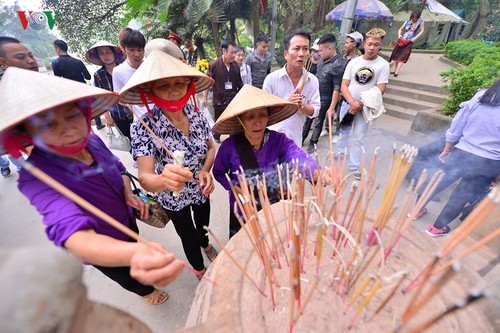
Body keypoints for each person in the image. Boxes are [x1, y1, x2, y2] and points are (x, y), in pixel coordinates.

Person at [0, 67, 184, 304]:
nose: (69, 129)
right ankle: (146, 292)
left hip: (126, 219)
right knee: (124, 273)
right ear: (26, 134)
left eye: (72, 115)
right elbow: (71, 233)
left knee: (133, 244)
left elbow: (119, 168)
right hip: (100, 240)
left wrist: (127, 192)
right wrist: (132, 253)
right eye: (47, 125)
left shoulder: (93, 140)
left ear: (84, 112)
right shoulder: (36, 177)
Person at [120, 50, 218, 277]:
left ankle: (206, 244)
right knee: (187, 235)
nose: (174, 90)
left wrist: (205, 170)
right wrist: (164, 179)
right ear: (150, 90)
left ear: (188, 85)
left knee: (203, 223)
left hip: (201, 189)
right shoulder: (144, 127)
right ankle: (199, 270)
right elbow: (145, 177)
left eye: (179, 83)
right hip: (172, 197)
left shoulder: (197, 115)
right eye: (163, 85)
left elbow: (210, 148)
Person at [212, 85, 317, 238]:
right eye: (250, 117)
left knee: (274, 243)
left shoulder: (279, 140)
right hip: (243, 206)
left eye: (262, 115)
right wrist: (235, 188)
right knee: (246, 245)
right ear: (240, 120)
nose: (258, 122)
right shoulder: (230, 146)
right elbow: (219, 172)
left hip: (274, 203)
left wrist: (316, 171)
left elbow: (296, 156)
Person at [411, 80, 500, 237]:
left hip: (463, 150)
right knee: (463, 193)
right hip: (489, 161)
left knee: (438, 181)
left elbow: (459, 122)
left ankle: (416, 210)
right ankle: (436, 228)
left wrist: (448, 147)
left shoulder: (482, 95)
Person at [335, 28, 390, 180]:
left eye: (376, 45)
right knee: (343, 133)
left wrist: (360, 103)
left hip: (365, 108)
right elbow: (344, 85)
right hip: (347, 104)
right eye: (370, 44)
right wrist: (352, 102)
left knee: (359, 137)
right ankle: (340, 154)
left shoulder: (383, 65)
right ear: (364, 44)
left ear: (380, 46)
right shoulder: (354, 62)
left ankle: (354, 166)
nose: (372, 48)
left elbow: (381, 89)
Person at [263, 29, 320, 148]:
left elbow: (315, 111)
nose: (301, 54)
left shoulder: (312, 80)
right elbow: (263, 112)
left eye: (305, 49)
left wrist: (302, 105)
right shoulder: (272, 79)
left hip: (295, 142)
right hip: (271, 142)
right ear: (285, 54)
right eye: (296, 48)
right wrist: (287, 104)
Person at [0, 36, 38, 176]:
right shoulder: (7, 96)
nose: (30, 61)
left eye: (30, 55)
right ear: (3, 62)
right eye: (20, 57)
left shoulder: (47, 86)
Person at [85, 41, 133, 136]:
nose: (105, 56)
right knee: (129, 142)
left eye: (108, 52)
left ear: (114, 53)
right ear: (98, 56)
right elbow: (101, 97)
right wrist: (107, 117)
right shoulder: (98, 75)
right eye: (101, 53)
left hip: (133, 111)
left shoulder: (125, 69)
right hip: (117, 115)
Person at [304, 33, 340, 153]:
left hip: (325, 98)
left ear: (329, 48)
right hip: (314, 95)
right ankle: (302, 138)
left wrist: (332, 107)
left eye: (321, 50)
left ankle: (313, 143)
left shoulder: (338, 65)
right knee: (308, 118)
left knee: (318, 122)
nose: (319, 53)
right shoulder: (321, 61)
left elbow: (337, 88)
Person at [202, 39, 243, 143]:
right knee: (219, 123)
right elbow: (208, 82)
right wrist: (205, 97)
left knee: (233, 125)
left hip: (233, 100)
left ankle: (231, 141)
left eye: (235, 52)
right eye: (231, 52)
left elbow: (240, 84)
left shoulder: (236, 66)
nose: (234, 55)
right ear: (224, 51)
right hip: (219, 100)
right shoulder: (214, 65)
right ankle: (216, 135)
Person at [326, 31, 363, 134]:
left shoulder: (358, 61)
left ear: (354, 44)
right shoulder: (344, 57)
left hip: (347, 93)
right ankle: (328, 129)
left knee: (342, 115)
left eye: (347, 43)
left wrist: (343, 93)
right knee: (332, 109)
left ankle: (339, 133)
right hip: (337, 89)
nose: (345, 45)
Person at [389, 9, 425, 77]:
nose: (414, 19)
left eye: (415, 18)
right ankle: (395, 70)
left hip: (410, 41)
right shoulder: (407, 22)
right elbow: (400, 29)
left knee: (404, 55)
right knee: (398, 55)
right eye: (413, 17)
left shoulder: (420, 22)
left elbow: (422, 30)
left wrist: (415, 38)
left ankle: (397, 72)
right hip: (402, 40)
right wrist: (399, 34)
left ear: (418, 17)